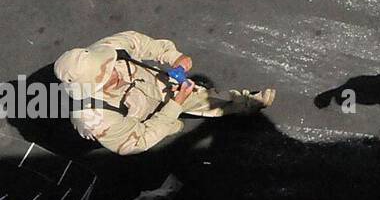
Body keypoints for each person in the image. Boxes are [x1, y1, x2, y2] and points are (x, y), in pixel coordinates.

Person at [53, 31, 274, 156]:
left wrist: (172, 57)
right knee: (169, 127)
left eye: (110, 66)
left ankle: (245, 103)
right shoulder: (94, 118)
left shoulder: (106, 49)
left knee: (202, 98)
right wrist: (175, 106)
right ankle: (171, 125)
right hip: (137, 121)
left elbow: (141, 44)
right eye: (106, 78)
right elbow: (137, 141)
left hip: (154, 85)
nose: (115, 74)